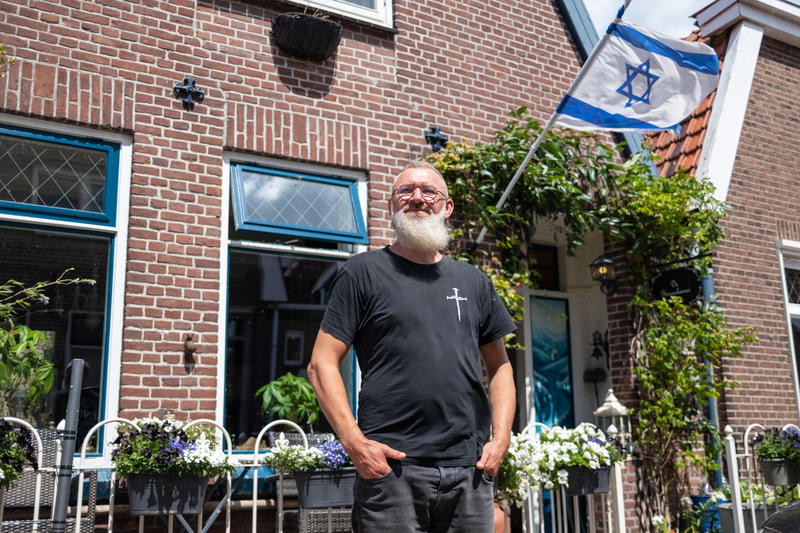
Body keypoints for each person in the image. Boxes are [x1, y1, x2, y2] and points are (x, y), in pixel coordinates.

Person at [307, 161, 516, 532]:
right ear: (391, 204)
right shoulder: (362, 273)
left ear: (447, 207)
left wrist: (501, 440)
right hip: (392, 470)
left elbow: (500, 367)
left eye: (429, 191)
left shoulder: (474, 282)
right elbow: (321, 363)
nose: (417, 198)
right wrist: (354, 443)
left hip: (469, 470)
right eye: (405, 191)